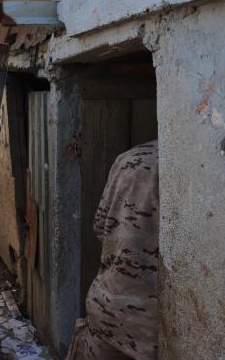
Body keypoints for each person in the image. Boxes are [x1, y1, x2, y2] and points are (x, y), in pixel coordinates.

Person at [66, 140, 159, 360]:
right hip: (151, 332)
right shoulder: (202, 170)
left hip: (106, 309)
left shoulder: (129, 158)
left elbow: (100, 227)